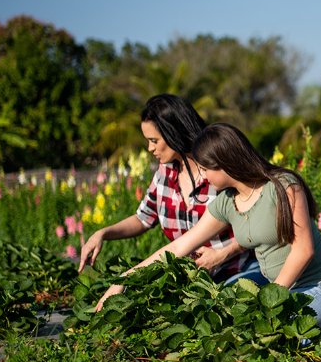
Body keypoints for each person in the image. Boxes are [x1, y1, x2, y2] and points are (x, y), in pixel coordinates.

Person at [94, 123, 321, 349]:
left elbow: (304, 250)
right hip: (283, 294)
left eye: (205, 168)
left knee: (274, 336)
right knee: (236, 335)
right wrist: (124, 280)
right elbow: (179, 246)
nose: (203, 175)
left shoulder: (283, 186)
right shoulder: (225, 203)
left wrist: (269, 304)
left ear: (223, 164)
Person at [79, 94, 254, 282]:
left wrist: (223, 253)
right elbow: (143, 219)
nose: (149, 148)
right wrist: (103, 233)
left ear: (174, 132)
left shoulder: (219, 170)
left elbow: (258, 224)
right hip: (194, 281)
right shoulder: (165, 173)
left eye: (154, 140)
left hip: (237, 271)